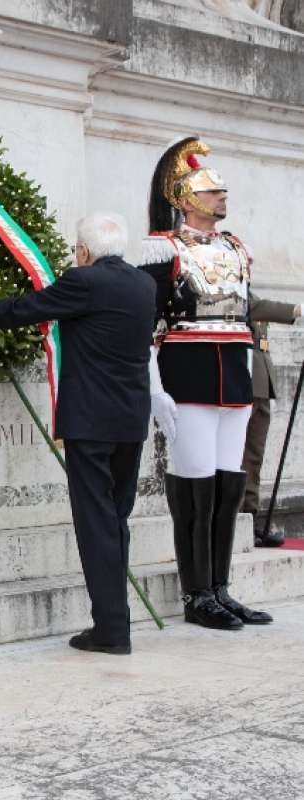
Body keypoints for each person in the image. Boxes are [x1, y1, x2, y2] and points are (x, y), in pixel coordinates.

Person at [0, 212, 156, 655]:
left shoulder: (84, 282)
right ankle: (114, 622)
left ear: (83, 252)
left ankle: (111, 629)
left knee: (96, 522)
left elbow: (23, 309)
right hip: (130, 420)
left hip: (91, 421)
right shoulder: (144, 285)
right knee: (116, 519)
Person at [140, 136, 272, 630]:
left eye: (221, 191)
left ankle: (220, 586)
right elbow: (147, 323)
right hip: (189, 373)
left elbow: (243, 309)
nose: (221, 197)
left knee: (228, 483)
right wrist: (155, 386)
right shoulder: (164, 248)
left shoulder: (236, 248)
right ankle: (196, 593)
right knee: (195, 482)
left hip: (233, 373)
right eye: (211, 191)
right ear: (187, 199)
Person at [244, 294, 303, 546]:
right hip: (245, 380)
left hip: (261, 382)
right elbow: (255, 307)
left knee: (254, 455)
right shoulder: (232, 286)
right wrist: (297, 309)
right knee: (243, 455)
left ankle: (250, 516)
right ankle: (238, 519)